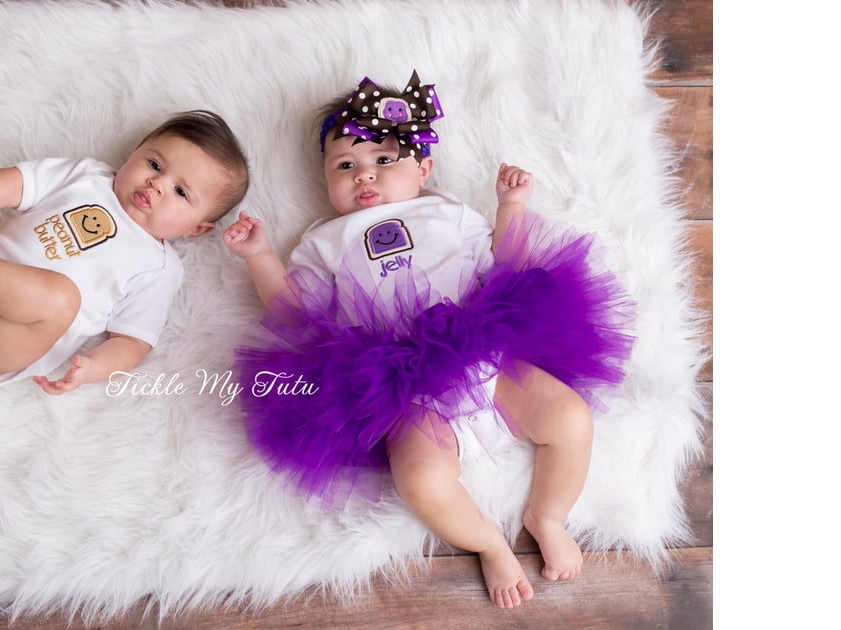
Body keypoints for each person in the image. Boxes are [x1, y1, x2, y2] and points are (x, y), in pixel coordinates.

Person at [222, 72, 632, 609]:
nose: (365, 174)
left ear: (423, 169)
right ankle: (488, 542)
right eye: (345, 166)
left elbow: (506, 263)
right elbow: (295, 313)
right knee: (419, 480)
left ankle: (547, 516)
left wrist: (511, 207)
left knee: (571, 419)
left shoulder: (448, 212)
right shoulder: (323, 241)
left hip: (484, 356)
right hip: (401, 388)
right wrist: (260, 257)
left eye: (384, 159)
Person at [0, 110, 249, 392]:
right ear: (135, 153)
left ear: (194, 229)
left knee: (61, 298)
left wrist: (94, 368)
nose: (157, 184)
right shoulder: (88, 177)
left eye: (180, 192)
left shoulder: (160, 268)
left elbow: (132, 341)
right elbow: (16, 184)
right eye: (154, 165)